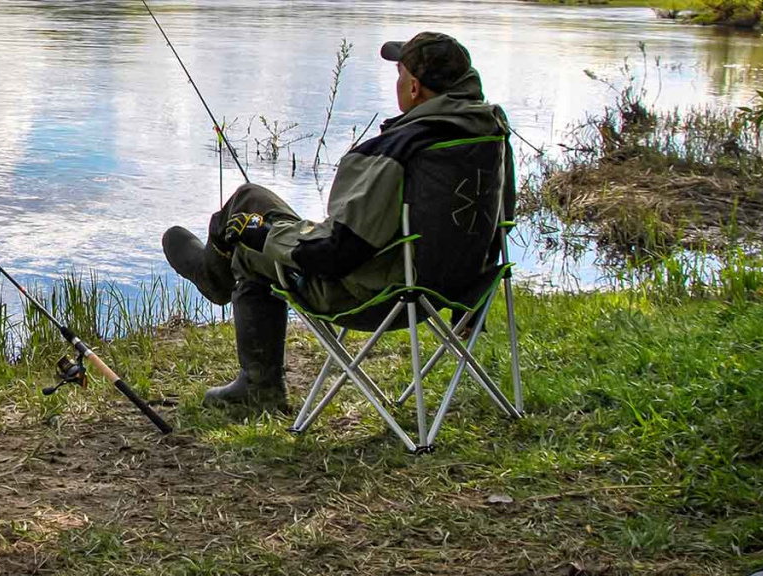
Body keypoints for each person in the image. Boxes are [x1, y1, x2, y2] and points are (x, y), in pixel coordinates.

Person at [162, 32, 515, 411]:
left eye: (399, 74)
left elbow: (337, 252)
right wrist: (469, 301)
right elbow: (500, 220)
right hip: (453, 287)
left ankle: (255, 379)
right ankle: (214, 272)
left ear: (414, 87)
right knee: (251, 197)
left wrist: (262, 235)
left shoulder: (401, 150)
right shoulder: (490, 132)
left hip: (372, 295)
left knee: (248, 240)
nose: (396, 83)